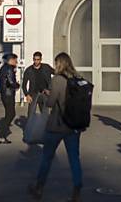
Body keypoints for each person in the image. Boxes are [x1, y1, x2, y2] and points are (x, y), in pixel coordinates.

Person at [28, 52, 84, 202]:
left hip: (58, 125)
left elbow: (51, 103)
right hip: (74, 125)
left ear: (59, 64)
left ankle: (39, 188)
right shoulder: (78, 78)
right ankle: (77, 188)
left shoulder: (58, 80)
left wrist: (48, 93)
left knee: (47, 157)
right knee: (74, 158)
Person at [22, 51, 55, 123]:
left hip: (45, 93)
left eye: (38, 59)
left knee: (45, 113)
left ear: (41, 59)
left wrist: (51, 89)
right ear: (33, 59)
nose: (36, 61)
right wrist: (27, 95)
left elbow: (56, 73)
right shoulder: (29, 70)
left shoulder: (46, 67)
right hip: (33, 94)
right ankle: (29, 130)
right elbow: (24, 84)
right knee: (30, 114)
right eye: (35, 59)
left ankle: (45, 130)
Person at [0, 53, 20, 144]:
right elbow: (11, 82)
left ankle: (3, 134)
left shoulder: (3, 68)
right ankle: (1, 135)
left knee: (9, 114)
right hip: (9, 94)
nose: (16, 62)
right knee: (11, 114)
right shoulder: (9, 68)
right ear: (11, 60)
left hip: (4, 94)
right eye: (15, 60)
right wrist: (17, 85)